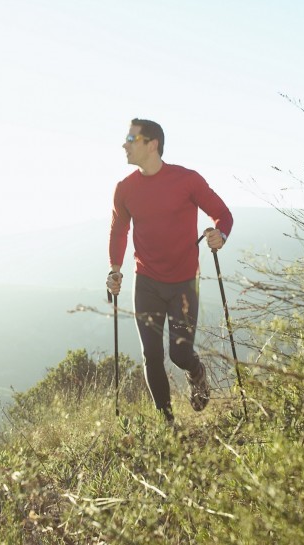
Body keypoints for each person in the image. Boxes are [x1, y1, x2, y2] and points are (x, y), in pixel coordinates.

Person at [106, 118, 233, 423]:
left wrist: (220, 234)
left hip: (184, 283)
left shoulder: (187, 180)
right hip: (146, 281)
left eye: (131, 138)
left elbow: (222, 213)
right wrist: (115, 270)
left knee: (179, 354)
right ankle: (169, 425)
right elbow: (119, 230)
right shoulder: (125, 188)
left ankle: (197, 371)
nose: (124, 144)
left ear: (152, 144)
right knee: (152, 355)